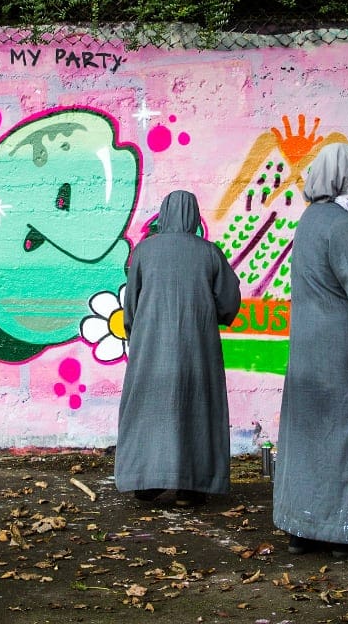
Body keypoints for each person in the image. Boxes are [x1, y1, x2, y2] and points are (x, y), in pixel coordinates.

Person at [272, 142, 348, 558]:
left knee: (310, 436)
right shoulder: (344, 226)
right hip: (345, 350)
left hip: (310, 347)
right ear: (343, 176)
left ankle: (304, 530)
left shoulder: (309, 221)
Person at [116, 190, 242, 506]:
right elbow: (229, 304)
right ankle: (192, 486)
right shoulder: (210, 253)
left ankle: (146, 482)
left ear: (163, 214)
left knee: (148, 409)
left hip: (150, 348)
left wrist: (139, 333)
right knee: (196, 410)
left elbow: (130, 307)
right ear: (194, 216)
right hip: (197, 347)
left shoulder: (144, 252)